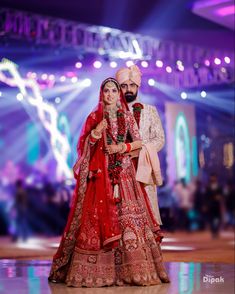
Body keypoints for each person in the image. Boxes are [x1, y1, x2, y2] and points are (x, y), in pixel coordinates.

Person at [48, 78, 169, 287]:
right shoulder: (95, 116)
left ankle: (132, 270)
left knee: (128, 220)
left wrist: (122, 148)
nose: (111, 94)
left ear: (118, 94)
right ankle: (99, 272)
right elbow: (85, 145)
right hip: (100, 176)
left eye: (114, 90)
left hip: (125, 175)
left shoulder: (127, 116)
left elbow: (139, 142)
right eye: (107, 91)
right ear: (102, 94)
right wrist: (96, 132)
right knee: (97, 220)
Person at [116, 65, 164, 225]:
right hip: (120, 169)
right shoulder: (113, 112)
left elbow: (160, 139)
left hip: (144, 167)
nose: (128, 89)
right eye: (124, 86)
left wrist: (141, 151)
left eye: (132, 85)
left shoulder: (150, 111)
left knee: (148, 211)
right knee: (122, 215)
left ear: (137, 86)